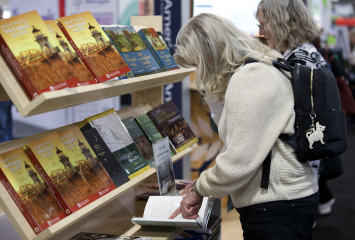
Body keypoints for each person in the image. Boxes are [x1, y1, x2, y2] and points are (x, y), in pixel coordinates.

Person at [169, 13, 318, 240]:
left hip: (277, 203)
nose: (198, 73)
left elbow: (238, 160)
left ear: (209, 54)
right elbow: (233, 135)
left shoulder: (249, 78)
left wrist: (199, 189)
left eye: (197, 63)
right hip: (287, 199)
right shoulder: (263, 67)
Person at [256, 0, 325, 183]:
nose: (261, 33)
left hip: (297, 170)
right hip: (304, 164)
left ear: (281, 23)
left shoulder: (297, 62)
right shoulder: (304, 54)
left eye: (264, 25)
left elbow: (285, 116)